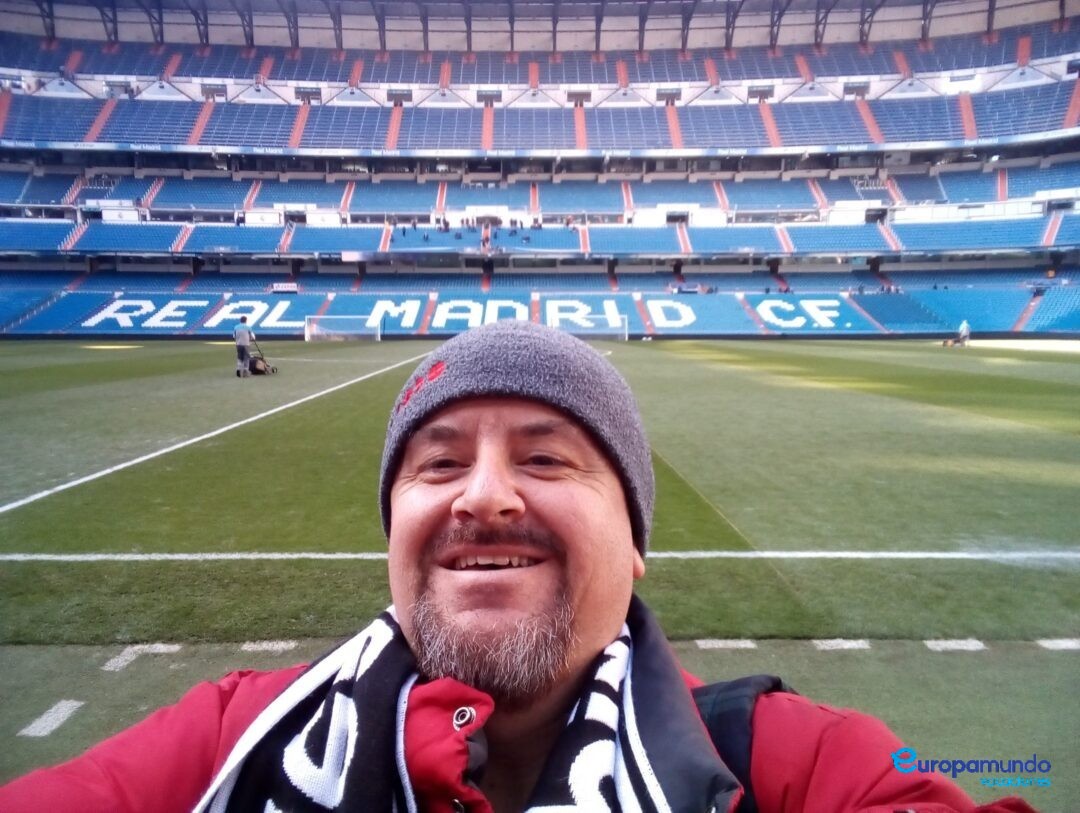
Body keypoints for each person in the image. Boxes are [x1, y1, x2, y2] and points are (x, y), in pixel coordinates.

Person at [0, 321, 1035, 813]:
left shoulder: (792, 766)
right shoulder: (237, 737)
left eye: (546, 457)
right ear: (392, 531)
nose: (481, 496)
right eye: (437, 464)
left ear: (636, 539)